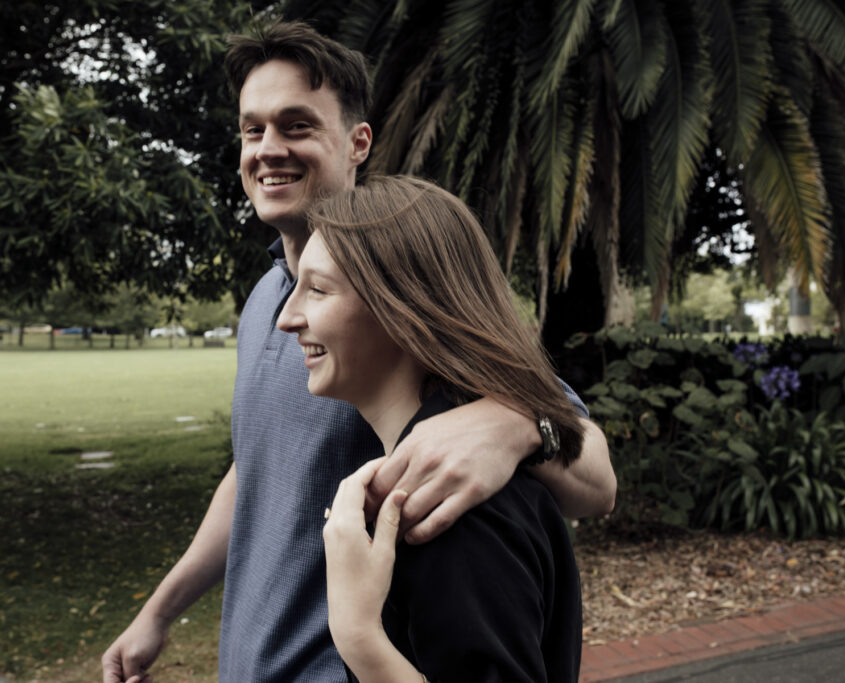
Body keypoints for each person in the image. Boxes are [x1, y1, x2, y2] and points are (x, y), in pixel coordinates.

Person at [101, 22, 614, 683]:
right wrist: (160, 610)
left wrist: (519, 424)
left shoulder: (397, 301)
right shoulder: (267, 301)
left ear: (357, 142)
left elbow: (595, 475)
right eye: (252, 129)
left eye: (295, 125)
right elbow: (257, 469)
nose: (269, 149)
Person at [278, 175, 583, 681]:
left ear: (402, 308)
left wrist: (357, 634)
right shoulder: (436, 476)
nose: (288, 317)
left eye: (317, 289)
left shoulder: (452, 510)